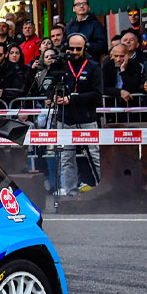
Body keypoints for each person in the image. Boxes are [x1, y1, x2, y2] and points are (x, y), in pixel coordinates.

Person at [53, 33, 103, 196]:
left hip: (86, 118)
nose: (74, 52)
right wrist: (53, 97)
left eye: (78, 49)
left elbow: (97, 95)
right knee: (66, 157)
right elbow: (49, 86)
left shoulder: (93, 66)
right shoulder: (61, 65)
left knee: (94, 156)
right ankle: (71, 193)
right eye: (71, 48)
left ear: (84, 48)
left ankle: (103, 189)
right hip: (65, 118)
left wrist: (72, 99)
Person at [102, 42, 142, 106]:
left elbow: (133, 87)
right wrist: (119, 92)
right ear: (111, 56)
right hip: (112, 105)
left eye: (122, 56)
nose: (118, 59)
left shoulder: (135, 66)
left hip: (130, 104)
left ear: (127, 56)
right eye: (116, 56)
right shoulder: (107, 66)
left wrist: (123, 70)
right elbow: (102, 88)